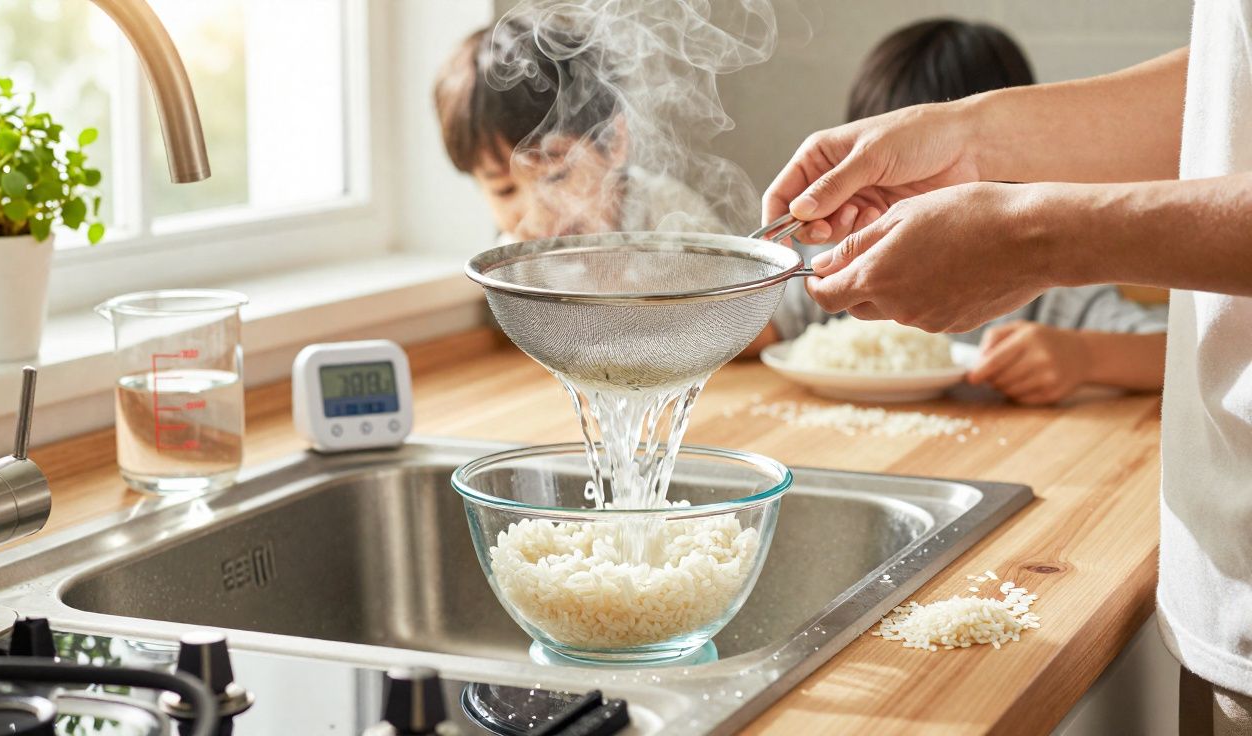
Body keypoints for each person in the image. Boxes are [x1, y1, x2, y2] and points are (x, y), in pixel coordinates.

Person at [763, 2, 1252, 732]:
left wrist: (1035, 237)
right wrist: (971, 137)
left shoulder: (1071, 306)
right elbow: (1230, 90)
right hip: (1220, 592)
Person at [767, 18, 1167, 406]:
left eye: (915, 179)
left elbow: (1169, 351)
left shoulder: (1051, 291)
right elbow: (757, 328)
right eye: (876, 185)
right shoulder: (832, 262)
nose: (898, 208)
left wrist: (1084, 357)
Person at [433, 20, 722, 244]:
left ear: (614, 141)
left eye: (556, 175)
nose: (537, 218)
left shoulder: (669, 214)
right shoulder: (515, 258)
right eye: (504, 190)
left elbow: (756, 320)